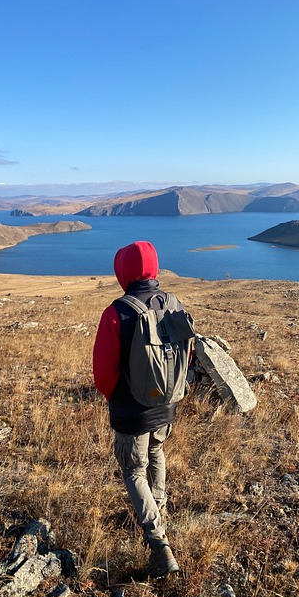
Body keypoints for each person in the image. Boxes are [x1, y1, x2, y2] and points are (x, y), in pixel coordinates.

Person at [93, 240, 186, 578]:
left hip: (132, 408)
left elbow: (104, 373)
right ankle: (157, 510)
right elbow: (185, 353)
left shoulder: (118, 312)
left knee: (134, 470)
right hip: (167, 401)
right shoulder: (173, 303)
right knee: (157, 453)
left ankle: (158, 543)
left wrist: (116, 396)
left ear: (125, 270)